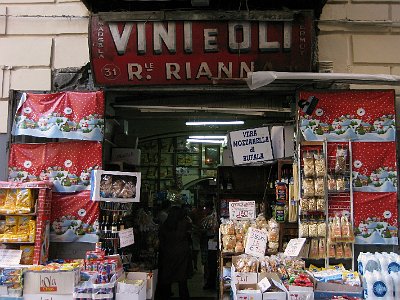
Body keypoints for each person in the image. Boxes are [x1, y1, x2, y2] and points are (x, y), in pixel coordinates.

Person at [157, 205, 193, 300]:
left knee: (167, 278)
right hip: (182, 254)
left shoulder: (166, 225)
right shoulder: (184, 223)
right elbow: (190, 231)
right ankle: (184, 297)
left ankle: (166, 295)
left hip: (168, 254)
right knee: (182, 281)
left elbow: (161, 238)